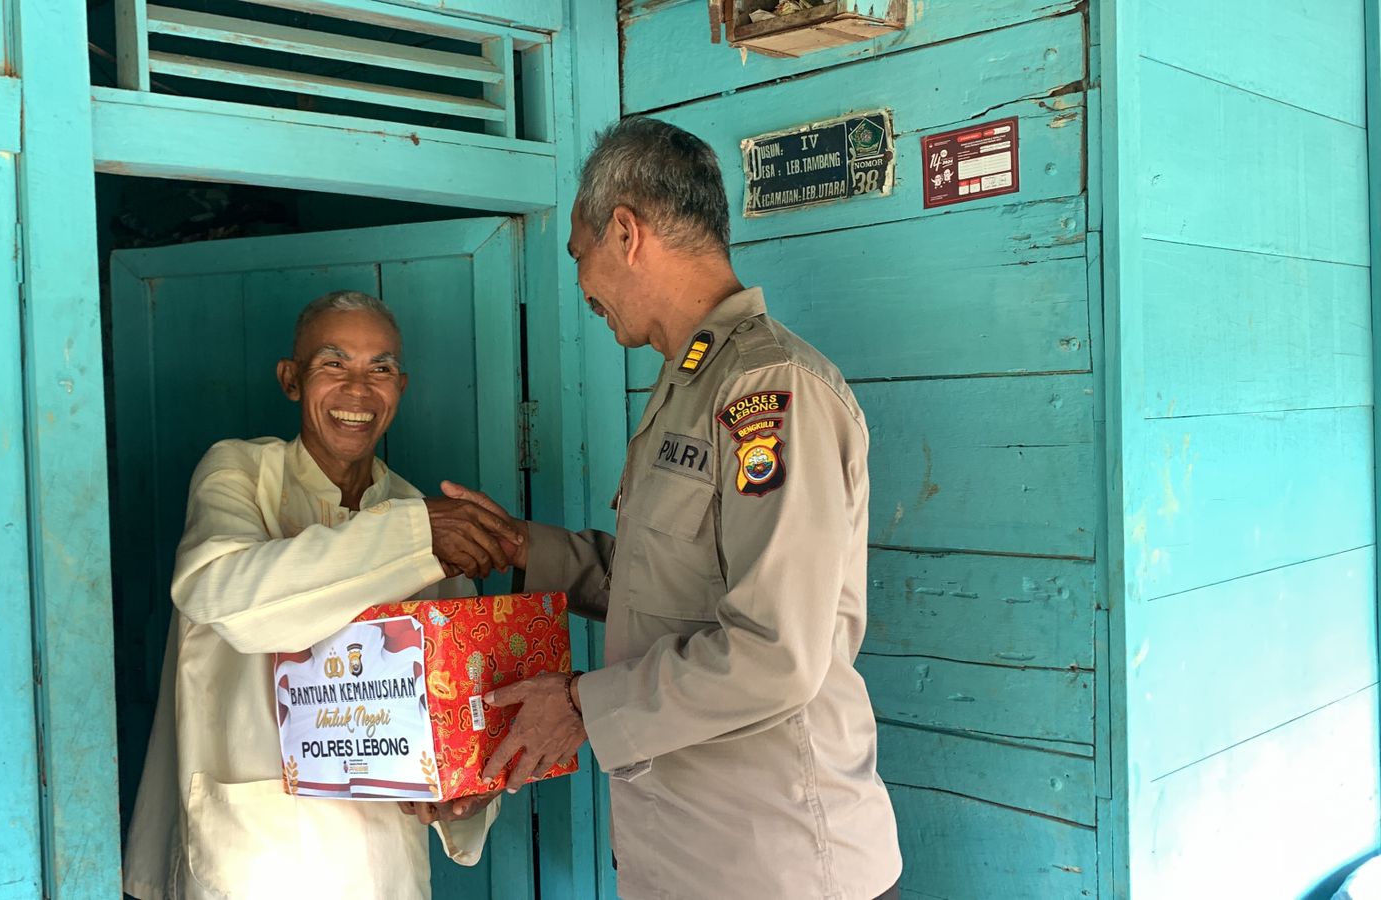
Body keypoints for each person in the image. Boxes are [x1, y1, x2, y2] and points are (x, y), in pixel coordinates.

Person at [456, 117, 903, 899]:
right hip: (690, 858)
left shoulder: (769, 389)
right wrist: (524, 547)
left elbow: (774, 651)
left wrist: (580, 707)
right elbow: (663, 586)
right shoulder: (687, 383)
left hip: (777, 864)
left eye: (578, 256)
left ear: (625, 232)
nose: (582, 285)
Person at [123, 290, 520, 900]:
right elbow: (228, 598)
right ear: (290, 379)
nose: (359, 390)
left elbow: (461, 704)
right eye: (335, 364)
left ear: (401, 387)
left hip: (383, 859)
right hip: (256, 851)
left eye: (380, 369)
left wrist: (467, 793)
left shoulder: (425, 518)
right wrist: (416, 534)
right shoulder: (240, 473)